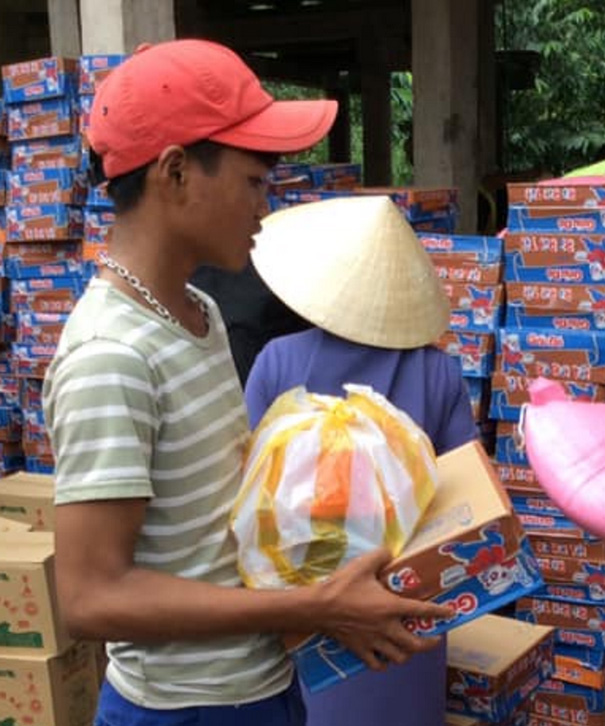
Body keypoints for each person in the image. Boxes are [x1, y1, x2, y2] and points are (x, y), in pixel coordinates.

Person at [42, 39, 452, 726]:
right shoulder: (110, 354)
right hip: (187, 711)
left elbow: (215, 524)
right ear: (175, 174)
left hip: (257, 683)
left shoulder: (195, 311)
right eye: (254, 182)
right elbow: (90, 599)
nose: (265, 208)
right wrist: (313, 607)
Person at [245, 195, 479, 726]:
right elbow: (464, 506)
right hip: (404, 617)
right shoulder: (437, 372)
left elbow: (247, 498)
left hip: (301, 617)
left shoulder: (278, 361)